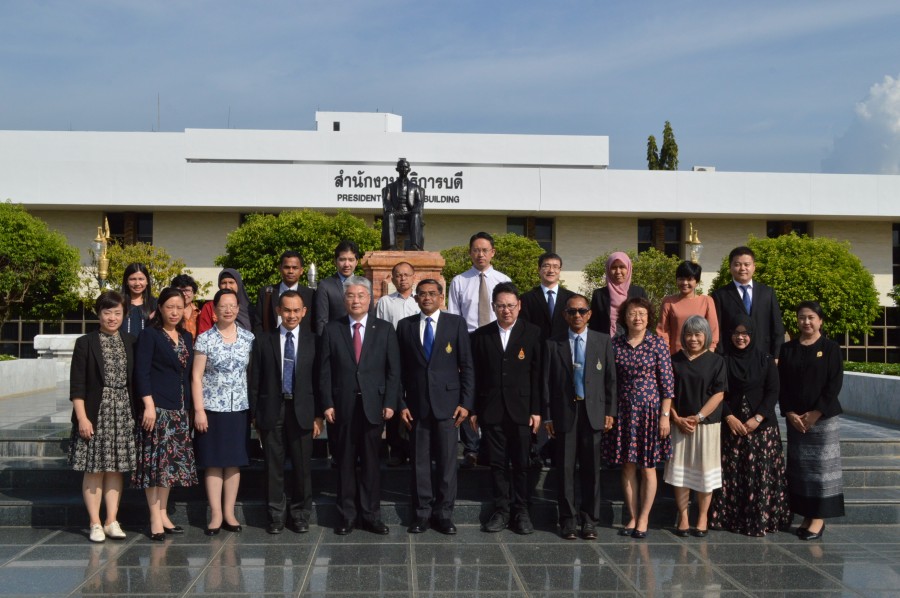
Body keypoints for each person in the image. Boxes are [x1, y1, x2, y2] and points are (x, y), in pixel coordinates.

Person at [319, 276, 400, 535]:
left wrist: (390, 401)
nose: (356, 300)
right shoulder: (332, 329)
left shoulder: (385, 329)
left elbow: (393, 370)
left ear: (369, 299)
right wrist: (327, 403)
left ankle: (371, 515)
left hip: (373, 405)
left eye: (361, 295)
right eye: (351, 296)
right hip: (341, 406)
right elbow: (325, 371)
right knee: (343, 463)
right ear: (344, 300)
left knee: (371, 464)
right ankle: (346, 516)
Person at [397, 279, 474, 535]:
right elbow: (398, 370)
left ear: (441, 296)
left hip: (449, 406)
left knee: (447, 464)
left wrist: (466, 403)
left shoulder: (456, 323)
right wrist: (401, 402)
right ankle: (421, 514)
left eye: (432, 293)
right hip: (417, 406)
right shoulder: (404, 326)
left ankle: (444, 514)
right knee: (419, 464)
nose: (427, 298)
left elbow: (467, 365)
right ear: (416, 298)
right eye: (422, 294)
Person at [470, 282, 542, 535]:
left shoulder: (533, 333)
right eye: (501, 306)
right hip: (491, 410)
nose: (506, 311)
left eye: (511, 305)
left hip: (522, 410)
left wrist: (537, 410)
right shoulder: (480, 335)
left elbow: (538, 375)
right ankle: (501, 510)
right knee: (498, 464)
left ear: (519, 306)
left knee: (522, 463)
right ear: (493, 307)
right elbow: (475, 376)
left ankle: (521, 511)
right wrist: (474, 409)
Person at [543, 294, 616, 540]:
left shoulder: (603, 341)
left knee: (591, 470)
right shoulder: (553, 343)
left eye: (581, 311)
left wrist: (610, 412)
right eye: (572, 311)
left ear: (589, 314)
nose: (577, 316)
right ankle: (567, 520)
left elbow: (610, 380)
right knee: (564, 469)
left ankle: (589, 520)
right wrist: (548, 416)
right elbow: (547, 383)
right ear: (565, 315)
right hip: (564, 414)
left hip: (593, 413)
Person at [710, 315, 791, 536]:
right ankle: (731, 519)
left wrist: (757, 418)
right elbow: (717, 392)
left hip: (761, 428)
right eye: (736, 333)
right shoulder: (723, 361)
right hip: (733, 427)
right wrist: (729, 417)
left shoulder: (765, 359)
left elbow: (773, 391)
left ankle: (761, 519)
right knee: (733, 474)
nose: (740, 337)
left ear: (753, 336)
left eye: (745, 333)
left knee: (760, 474)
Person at [250, 290, 321, 534]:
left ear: (304, 312)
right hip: (272, 409)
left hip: (302, 410)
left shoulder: (314, 341)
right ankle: (275, 516)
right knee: (273, 467)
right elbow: (255, 379)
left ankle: (300, 514)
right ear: (278, 311)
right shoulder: (263, 340)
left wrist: (318, 414)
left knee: (302, 467)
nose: (291, 315)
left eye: (296, 310)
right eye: (287, 310)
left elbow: (319, 380)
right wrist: (254, 414)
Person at [68, 291, 137, 543]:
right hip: (96, 412)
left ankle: (111, 520)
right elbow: (77, 386)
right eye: (107, 312)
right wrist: (82, 418)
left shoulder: (130, 341)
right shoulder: (86, 343)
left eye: (117, 312)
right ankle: (94, 522)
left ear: (124, 314)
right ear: (99, 314)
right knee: (94, 468)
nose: (112, 317)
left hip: (123, 412)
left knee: (116, 469)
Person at [603, 296, 674, 539]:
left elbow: (667, 385)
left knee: (648, 467)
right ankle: (631, 516)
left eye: (642, 314)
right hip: (623, 413)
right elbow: (609, 382)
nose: (637, 318)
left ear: (648, 317)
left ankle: (644, 518)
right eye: (633, 313)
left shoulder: (657, 344)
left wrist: (665, 417)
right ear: (624, 317)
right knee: (628, 466)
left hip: (650, 414)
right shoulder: (615, 344)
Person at [132, 287, 198, 540]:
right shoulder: (150, 335)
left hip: (179, 409)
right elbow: (142, 372)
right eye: (170, 306)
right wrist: (148, 404)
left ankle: (164, 514)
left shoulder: (186, 336)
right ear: (159, 308)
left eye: (179, 307)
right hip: (157, 409)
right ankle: (154, 517)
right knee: (155, 466)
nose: (174, 312)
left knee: (169, 466)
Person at [778, 301, 844, 541]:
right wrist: (789, 412)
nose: (806, 322)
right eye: (802, 317)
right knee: (801, 469)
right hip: (796, 420)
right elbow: (781, 385)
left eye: (811, 317)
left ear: (820, 320)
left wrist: (816, 413)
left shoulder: (830, 348)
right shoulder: (787, 349)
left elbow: (834, 384)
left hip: (822, 420)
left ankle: (818, 518)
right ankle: (806, 515)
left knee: (821, 470)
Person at [191, 288, 254, 536]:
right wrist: (199, 410)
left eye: (232, 305)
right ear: (214, 310)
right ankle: (215, 514)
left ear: (238, 309)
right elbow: (196, 377)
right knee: (214, 463)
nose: (228, 310)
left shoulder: (248, 338)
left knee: (234, 463)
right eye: (222, 306)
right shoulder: (205, 339)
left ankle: (229, 512)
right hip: (211, 408)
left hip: (238, 407)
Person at [448, 232, 511, 468]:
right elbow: (454, 318)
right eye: (476, 250)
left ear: (493, 252)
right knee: (468, 391)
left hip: (496, 339)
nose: (480, 254)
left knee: (492, 389)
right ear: (470, 252)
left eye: (485, 250)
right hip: (469, 340)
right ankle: (471, 447)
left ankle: (490, 445)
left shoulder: (503, 280)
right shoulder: (459, 281)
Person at [665, 316, 727, 538]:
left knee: (704, 473)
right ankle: (683, 516)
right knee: (680, 473)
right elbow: (667, 393)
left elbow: (719, 393)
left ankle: (702, 516)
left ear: (706, 336)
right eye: (689, 334)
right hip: (679, 424)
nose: (693, 339)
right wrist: (677, 418)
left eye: (698, 334)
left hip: (707, 425)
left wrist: (698, 417)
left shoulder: (717, 361)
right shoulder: (674, 360)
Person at [520, 251, 574, 469]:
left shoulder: (570, 299)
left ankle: (557, 446)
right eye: (546, 266)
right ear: (539, 269)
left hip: (564, 359)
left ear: (560, 271)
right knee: (538, 400)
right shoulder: (527, 298)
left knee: (560, 400)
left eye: (555, 266)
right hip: (537, 358)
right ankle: (537, 447)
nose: (551, 270)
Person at [375, 261, 419, 467]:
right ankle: (397, 450)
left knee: (415, 404)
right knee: (394, 400)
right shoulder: (385, 302)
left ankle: (415, 449)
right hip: (392, 357)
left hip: (416, 358)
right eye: (398, 275)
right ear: (392, 279)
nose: (402, 278)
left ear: (413, 277)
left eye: (406, 275)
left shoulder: (421, 301)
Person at [711, 246, 785, 360]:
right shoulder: (720, 295)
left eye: (747, 264)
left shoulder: (767, 293)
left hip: (763, 355)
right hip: (731, 358)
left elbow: (777, 328)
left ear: (754, 267)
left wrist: (777, 355)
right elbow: (717, 330)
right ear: (730, 267)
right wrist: (720, 357)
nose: (742, 268)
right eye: (737, 264)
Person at [657, 261, 719, 354]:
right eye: (681, 279)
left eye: (689, 279)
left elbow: (713, 330)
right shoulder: (668, 301)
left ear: (697, 282)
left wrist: (709, 354)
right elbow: (663, 331)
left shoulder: (706, 301)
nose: (685, 283)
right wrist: (665, 355)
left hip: (701, 355)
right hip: (675, 356)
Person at [315, 240, 373, 335]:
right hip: (335, 340)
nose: (347, 264)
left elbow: (370, 315)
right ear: (335, 261)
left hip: (361, 338)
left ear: (356, 262)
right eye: (342, 259)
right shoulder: (325, 285)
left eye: (351, 260)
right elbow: (321, 321)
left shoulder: (365, 284)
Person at [256, 250, 315, 335]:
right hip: (271, 344)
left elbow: (314, 324)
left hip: (302, 345)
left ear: (301, 270)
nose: (290, 271)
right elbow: (258, 324)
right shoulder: (266, 293)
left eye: (295, 268)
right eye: (286, 267)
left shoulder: (311, 295)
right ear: (280, 268)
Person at [589, 252, 647, 337]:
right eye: (614, 267)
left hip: (634, 343)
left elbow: (646, 320)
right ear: (608, 269)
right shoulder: (599, 295)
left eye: (622, 267)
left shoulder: (638, 292)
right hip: (606, 344)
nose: (618, 271)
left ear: (629, 269)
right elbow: (594, 325)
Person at [381, 157, 425, 250]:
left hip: (410, 214)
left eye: (405, 167)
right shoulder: (390, 187)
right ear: (397, 169)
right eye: (401, 167)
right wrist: (391, 210)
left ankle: (415, 246)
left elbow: (419, 202)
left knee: (416, 216)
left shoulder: (416, 188)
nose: (403, 169)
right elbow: (386, 201)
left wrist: (415, 210)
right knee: (389, 215)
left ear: (409, 169)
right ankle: (391, 246)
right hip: (396, 213)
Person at [198, 269, 254, 335]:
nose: (227, 286)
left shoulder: (249, 309)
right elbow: (204, 333)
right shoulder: (210, 307)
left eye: (231, 282)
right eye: (223, 283)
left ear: (238, 284)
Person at [121, 263, 157, 336]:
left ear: (147, 281)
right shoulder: (119, 303)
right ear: (126, 281)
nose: (137, 283)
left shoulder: (155, 304)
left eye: (141, 279)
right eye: (132, 279)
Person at [171, 274, 200, 340]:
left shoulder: (200, 313)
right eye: (180, 291)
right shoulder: (169, 313)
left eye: (187, 290)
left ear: (194, 293)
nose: (184, 294)